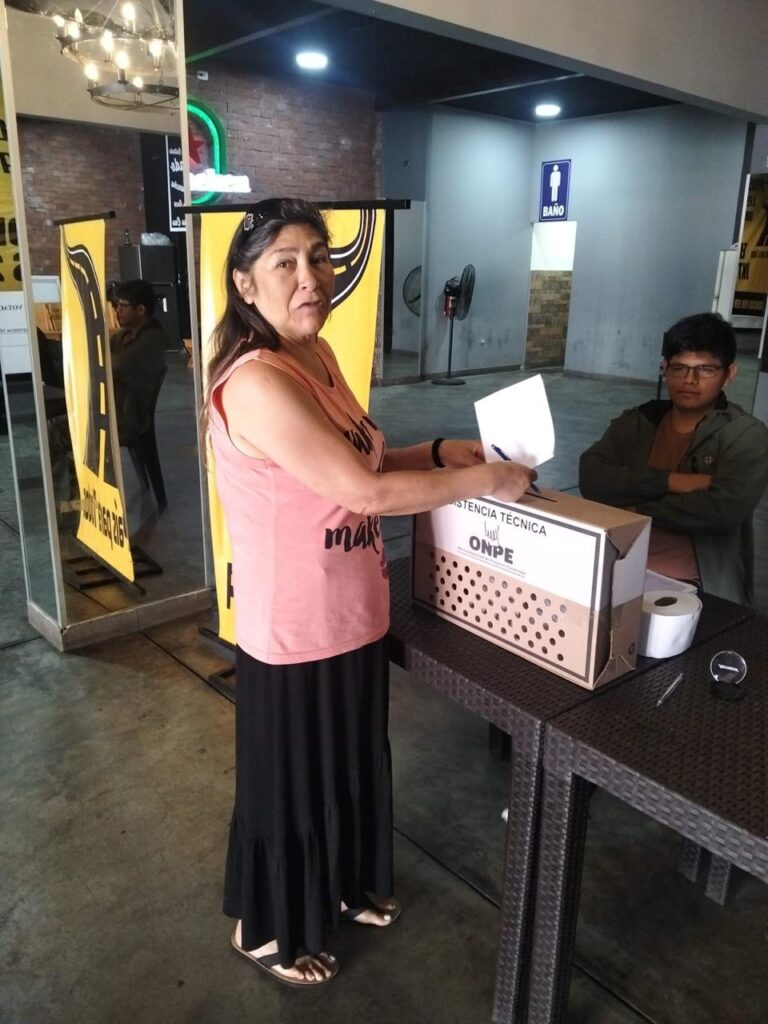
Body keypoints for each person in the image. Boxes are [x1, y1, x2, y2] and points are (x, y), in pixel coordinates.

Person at [203, 198, 535, 987]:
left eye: (319, 258)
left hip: (351, 609)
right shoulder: (256, 382)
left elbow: (364, 459)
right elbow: (365, 493)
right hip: (294, 627)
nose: (310, 277)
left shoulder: (315, 356)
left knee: (348, 766)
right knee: (292, 785)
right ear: (245, 284)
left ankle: (345, 888)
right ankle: (266, 927)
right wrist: (486, 480)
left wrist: (440, 450)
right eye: (285, 263)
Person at [579, 312, 768, 605]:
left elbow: (722, 509)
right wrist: (672, 481)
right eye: (679, 368)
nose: (689, 380)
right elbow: (591, 476)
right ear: (664, 369)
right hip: (619, 570)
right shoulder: (641, 421)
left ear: (729, 374)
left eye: (705, 369)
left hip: (695, 585)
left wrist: (637, 509)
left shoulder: (744, 435)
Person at [110, 279, 168, 506]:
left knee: (63, 433)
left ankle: (76, 504)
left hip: (129, 420)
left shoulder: (152, 339)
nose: (117, 310)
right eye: (117, 305)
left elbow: (114, 365)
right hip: (118, 410)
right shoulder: (125, 335)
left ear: (141, 310)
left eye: (123, 306)